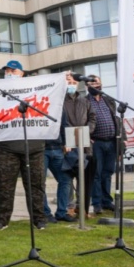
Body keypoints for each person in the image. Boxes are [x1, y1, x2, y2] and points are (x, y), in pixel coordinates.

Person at [0, 60, 47, 231]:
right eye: (7, 71)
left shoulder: (34, 88)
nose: (9, 73)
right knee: (4, 186)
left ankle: (39, 219)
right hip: (7, 147)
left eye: (13, 71)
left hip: (34, 147)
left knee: (36, 186)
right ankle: (2, 220)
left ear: (22, 73)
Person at [60, 72, 96, 220]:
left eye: (74, 83)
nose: (71, 85)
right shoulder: (59, 101)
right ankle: (69, 207)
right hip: (67, 145)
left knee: (83, 177)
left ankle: (82, 208)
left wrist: (87, 131)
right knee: (67, 177)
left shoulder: (85, 101)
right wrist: (64, 141)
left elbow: (92, 118)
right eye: (69, 82)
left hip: (83, 143)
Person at [87, 74, 119, 215]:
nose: (95, 85)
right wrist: (88, 137)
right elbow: (83, 119)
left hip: (111, 142)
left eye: (97, 83)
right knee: (97, 174)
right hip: (97, 142)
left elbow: (116, 119)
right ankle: (97, 203)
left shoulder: (108, 100)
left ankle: (107, 201)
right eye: (92, 83)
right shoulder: (85, 101)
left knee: (108, 173)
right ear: (87, 86)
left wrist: (121, 136)